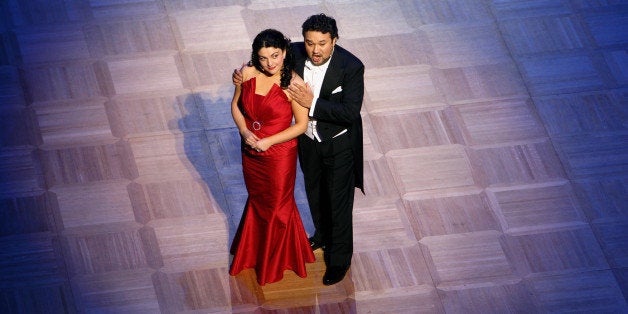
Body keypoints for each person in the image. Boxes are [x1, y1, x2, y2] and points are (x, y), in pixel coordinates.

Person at [233, 14, 364, 286]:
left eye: (322, 43)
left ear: (334, 41)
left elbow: (350, 112)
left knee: (338, 205)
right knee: (315, 194)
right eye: (309, 42)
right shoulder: (292, 51)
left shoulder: (351, 67)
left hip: (338, 144)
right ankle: (321, 236)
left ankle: (339, 260)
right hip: (307, 143)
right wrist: (241, 73)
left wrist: (311, 103)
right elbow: (266, 56)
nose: (315, 50)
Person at [228, 28, 315, 286]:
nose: (270, 63)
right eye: (264, 57)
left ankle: (274, 261)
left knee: (277, 207)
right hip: (250, 150)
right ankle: (255, 252)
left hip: (279, 154)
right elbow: (235, 106)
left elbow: (300, 125)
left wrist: (268, 141)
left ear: (285, 53)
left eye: (275, 56)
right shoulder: (245, 73)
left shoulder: (294, 85)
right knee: (259, 201)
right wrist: (244, 131)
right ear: (256, 56)